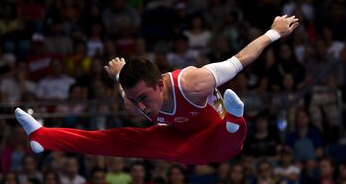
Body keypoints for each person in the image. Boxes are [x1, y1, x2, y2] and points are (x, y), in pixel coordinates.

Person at [15, 15, 299, 165]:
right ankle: (44, 136)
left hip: (214, 136)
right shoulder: (132, 98)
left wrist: (274, 32)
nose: (140, 106)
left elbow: (240, 60)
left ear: (160, 84)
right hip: (179, 139)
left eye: (144, 98)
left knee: (219, 140)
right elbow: (132, 96)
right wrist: (119, 77)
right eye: (134, 99)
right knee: (118, 139)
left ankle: (235, 121)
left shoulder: (193, 83)